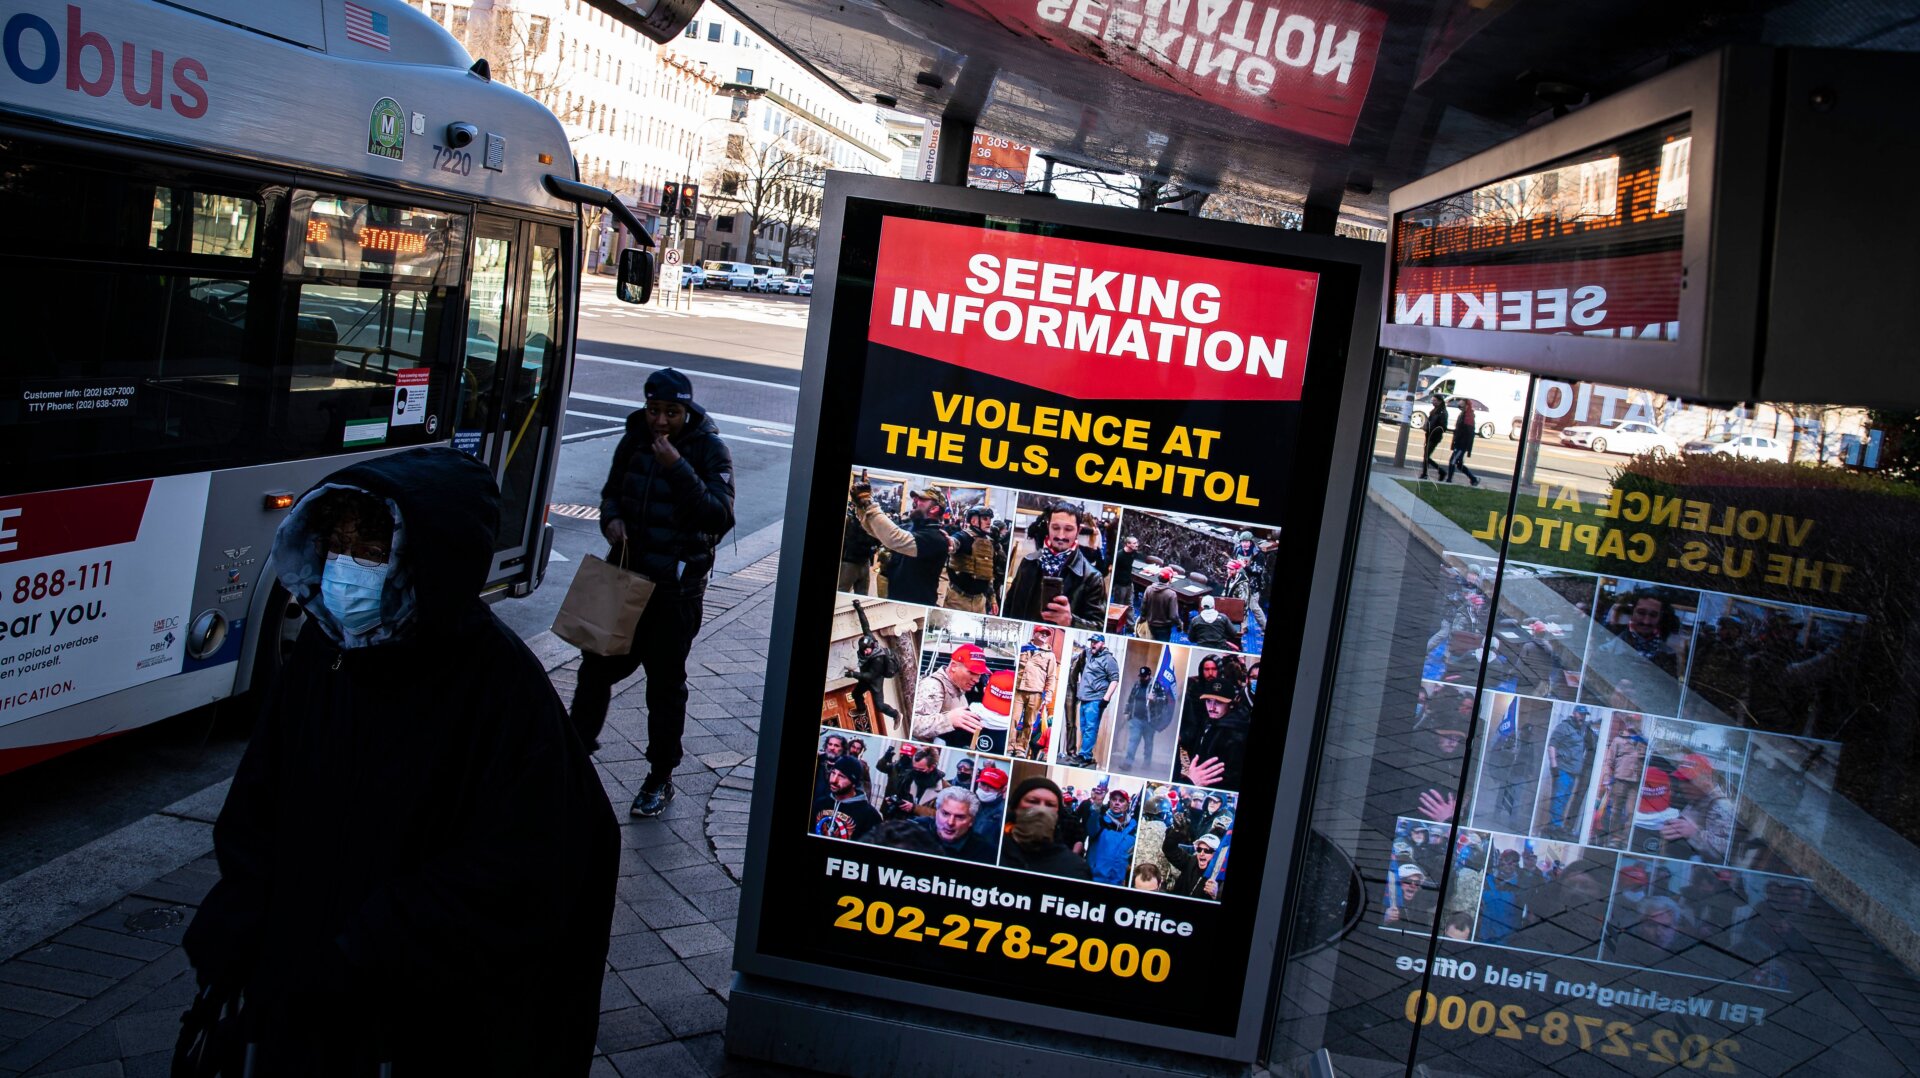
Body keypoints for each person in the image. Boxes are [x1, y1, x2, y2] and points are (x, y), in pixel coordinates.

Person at [182, 449, 617, 1076]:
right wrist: (242, 910)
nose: (342, 570)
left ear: (427, 558)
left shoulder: (498, 689)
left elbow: (531, 865)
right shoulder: (325, 652)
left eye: (368, 550)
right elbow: (261, 796)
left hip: (412, 1022)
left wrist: (376, 943)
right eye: (334, 545)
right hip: (295, 1002)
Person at [572, 368, 735, 818]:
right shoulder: (634, 436)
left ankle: (660, 777)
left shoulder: (708, 448)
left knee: (664, 686)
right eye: (654, 410)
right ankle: (573, 752)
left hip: (674, 592)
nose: (660, 421)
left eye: (671, 412)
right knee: (595, 668)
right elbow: (611, 493)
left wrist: (677, 468)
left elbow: (718, 517)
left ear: (687, 410)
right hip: (625, 578)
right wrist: (611, 521)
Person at [1002, 504, 1107, 628]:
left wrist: (1071, 621)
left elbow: (1099, 626)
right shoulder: (1029, 561)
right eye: (1055, 527)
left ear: (1078, 531)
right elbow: (1009, 605)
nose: (1061, 535)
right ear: (1048, 527)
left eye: (1068, 529)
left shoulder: (1092, 578)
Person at [850, 481, 951, 605]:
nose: (914, 500)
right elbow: (877, 532)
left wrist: (870, 504)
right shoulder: (911, 527)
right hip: (896, 598)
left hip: (916, 605)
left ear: (934, 508)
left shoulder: (935, 538)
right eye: (915, 497)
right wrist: (861, 507)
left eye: (921, 499)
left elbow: (894, 538)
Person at [1000, 777, 1092, 878]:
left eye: (1049, 804)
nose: (1041, 810)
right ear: (1016, 806)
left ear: (1058, 813)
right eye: (1033, 801)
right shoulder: (993, 850)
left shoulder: (1074, 869)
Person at [1662, 754, 1736, 863]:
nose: (1683, 786)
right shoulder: (1696, 798)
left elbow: (1723, 855)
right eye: (1681, 780)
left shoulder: (1721, 806)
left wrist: (1694, 833)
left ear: (1706, 778)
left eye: (1688, 780)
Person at [911, 643, 989, 745]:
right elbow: (912, 724)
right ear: (953, 666)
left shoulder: (958, 685)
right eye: (972, 672)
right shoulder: (933, 686)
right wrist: (948, 720)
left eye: (980, 674)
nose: (976, 679)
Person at [1178, 683, 1250, 791]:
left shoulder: (1236, 733)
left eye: (1219, 702)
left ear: (1230, 704)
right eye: (1208, 701)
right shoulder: (1210, 721)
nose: (1211, 707)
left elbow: (1232, 775)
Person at [1068, 634, 1121, 766]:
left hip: (1096, 699)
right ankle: (1086, 754)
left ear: (1102, 643)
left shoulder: (1109, 659)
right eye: (1092, 641)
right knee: (1085, 728)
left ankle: (1084, 755)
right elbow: (1082, 647)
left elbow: (1114, 679)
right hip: (1084, 698)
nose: (1093, 644)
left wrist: (1106, 698)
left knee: (1091, 728)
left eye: (1096, 642)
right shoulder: (1090, 654)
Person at [908, 787, 997, 862]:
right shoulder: (913, 829)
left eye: (959, 817)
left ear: (971, 821)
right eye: (945, 814)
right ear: (937, 812)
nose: (950, 822)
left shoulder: (985, 853)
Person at [1545, 706, 1593, 837]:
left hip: (1573, 772)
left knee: (1564, 799)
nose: (1582, 717)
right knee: (1559, 798)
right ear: (1574, 713)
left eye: (1584, 715)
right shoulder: (1563, 727)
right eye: (1580, 714)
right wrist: (1554, 766)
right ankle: (1555, 826)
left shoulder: (1580, 730)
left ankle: (1555, 825)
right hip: (1563, 769)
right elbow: (1552, 746)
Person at [1012, 626, 1058, 759]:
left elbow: (1051, 676)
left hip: (1036, 693)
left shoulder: (1050, 655)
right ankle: (1010, 747)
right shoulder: (1023, 649)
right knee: (1013, 720)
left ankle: (1020, 749)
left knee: (1029, 723)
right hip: (1018, 690)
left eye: (1046, 633)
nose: (1044, 635)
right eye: (1042, 632)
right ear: (1035, 633)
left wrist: (1048, 694)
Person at [945, 504, 1001, 613]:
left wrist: (993, 599)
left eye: (989, 519)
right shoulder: (963, 537)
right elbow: (954, 543)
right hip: (957, 600)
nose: (989, 522)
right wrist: (949, 542)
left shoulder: (989, 543)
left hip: (980, 602)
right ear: (974, 521)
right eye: (985, 519)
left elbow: (988, 574)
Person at [812, 756, 882, 840]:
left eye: (841, 776)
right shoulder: (819, 804)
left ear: (854, 783)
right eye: (833, 773)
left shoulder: (870, 816)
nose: (833, 780)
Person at [1084, 788, 1138, 884]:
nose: (1117, 803)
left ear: (1127, 805)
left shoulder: (1134, 829)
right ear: (1110, 802)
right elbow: (1091, 828)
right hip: (1094, 880)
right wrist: (1096, 806)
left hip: (1117, 885)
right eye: (1114, 799)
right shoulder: (1100, 821)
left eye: (1121, 800)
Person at [1163, 817, 1223, 900]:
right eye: (1199, 849)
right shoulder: (1190, 861)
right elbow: (1169, 849)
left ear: (1215, 854)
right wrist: (1176, 832)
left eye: (1207, 851)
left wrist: (1216, 895)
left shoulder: (1220, 875)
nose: (1202, 853)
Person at [876, 745, 945, 818]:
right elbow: (881, 767)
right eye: (915, 768)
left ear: (932, 767)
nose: (917, 772)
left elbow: (942, 815)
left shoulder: (944, 788)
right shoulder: (907, 777)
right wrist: (895, 802)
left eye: (921, 769)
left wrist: (915, 808)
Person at [839, 502, 881, 594]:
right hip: (849, 562)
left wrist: (873, 548)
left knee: (862, 593)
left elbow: (877, 540)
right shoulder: (849, 520)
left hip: (864, 562)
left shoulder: (871, 523)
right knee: (842, 591)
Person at [1120, 665, 1156, 771]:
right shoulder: (1137, 684)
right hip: (1136, 718)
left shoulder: (1156, 685)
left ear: (1149, 676)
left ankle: (1146, 764)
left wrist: (1155, 699)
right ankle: (1128, 763)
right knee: (1133, 741)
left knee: (1148, 744)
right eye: (1141, 676)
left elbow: (1164, 701)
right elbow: (1131, 698)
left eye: (1144, 676)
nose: (1142, 678)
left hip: (1150, 721)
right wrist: (1127, 711)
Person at [1140, 567, 1180, 641]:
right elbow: (1173, 616)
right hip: (1164, 628)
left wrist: (1142, 619)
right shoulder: (1171, 594)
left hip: (1150, 625)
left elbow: (1143, 607)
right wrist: (1179, 624)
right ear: (1170, 579)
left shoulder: (1149, 589)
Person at [1419, 393, 1450, 480]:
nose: (1433, 402)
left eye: (1435, 400)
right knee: (1426, 456)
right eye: (1432, 400)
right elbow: (1430, 421)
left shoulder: (1443, 412)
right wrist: (1426, 427)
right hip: (1429, 435)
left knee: (1426, 456)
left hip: (1435, 437)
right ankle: (1427, 473)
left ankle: (1438, 472)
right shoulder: (1434, 411)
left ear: (1440, 401)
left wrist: (1433, 430)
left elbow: (1443, 427)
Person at [974, 765, 1009, 837]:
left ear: (1003, 789)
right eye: (983, 784)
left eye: (992, 786)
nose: (985, 789)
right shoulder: (971, 800)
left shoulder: (1002, 812)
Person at [1112, 536, 1141, 611]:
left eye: (1136, 542)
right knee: (1119, 605)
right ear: (1128, 544)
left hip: (1129, 583)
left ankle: (1130, 623)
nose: (1137, 545)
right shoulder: (1119, 555)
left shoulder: (1133, 553)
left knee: (1130, 604)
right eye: (1134, 543)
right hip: (1120, 585)